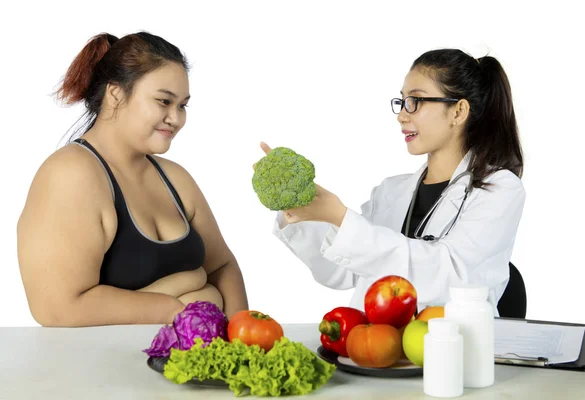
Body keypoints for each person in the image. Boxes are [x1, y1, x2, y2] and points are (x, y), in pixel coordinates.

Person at [261, 49, 525, 315]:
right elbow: (340, 272)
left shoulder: (500, 189)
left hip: (455, 348)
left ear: (458, 111)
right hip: (377, 347)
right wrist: (297, 203)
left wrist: (342, 219)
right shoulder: (390, 192)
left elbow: (452, 274)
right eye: (402, 102)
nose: (402, 115)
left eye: (416, 101)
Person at [17, 32, 248, 327]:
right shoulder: (71, 175)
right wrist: (177, 310)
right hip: (106, 369)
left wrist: (243, 337)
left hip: (191, 366)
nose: (175, 118)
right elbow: (56, 309)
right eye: (164, 101)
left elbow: (221, 266)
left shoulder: (175, 178)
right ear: (115, 94)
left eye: (182, 106)